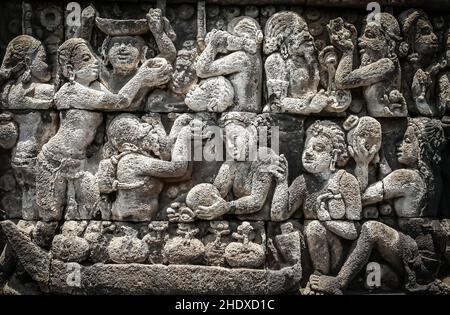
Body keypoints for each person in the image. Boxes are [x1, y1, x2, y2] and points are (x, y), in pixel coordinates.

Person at [35, 38, 171, 221]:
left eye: (92, 58)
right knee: (50, 217)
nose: (93, 63)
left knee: (90, 211)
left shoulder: (95, 87)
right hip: (53, 160)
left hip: (80, 163)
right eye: (85, 59)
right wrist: (141, 77)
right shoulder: (69, 91)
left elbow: (123, 104)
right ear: (69, 70)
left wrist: (149, 80)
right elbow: (120, 100)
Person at [309, 118, 448, 295]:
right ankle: (391, 278)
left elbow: (360, 198)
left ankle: (339, 281)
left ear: (421, 148)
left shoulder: (406, 177)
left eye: (407, 140)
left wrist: (362, 164)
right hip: (431, 257)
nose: (400, 145)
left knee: (371, 228)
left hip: (417, 255)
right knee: (375, 271)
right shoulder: (434, 178)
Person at [270, 120, 361, 276]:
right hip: (311, 248)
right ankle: (295, 272)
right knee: (286, 227)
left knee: (314, 227)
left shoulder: (346, 180)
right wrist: (282, 182)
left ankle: (321, 275)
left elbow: (354, 231)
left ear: (333, 155)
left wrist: (328, 222)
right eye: (307, 147)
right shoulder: (303, 182)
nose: (309, 152)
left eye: (318, 148)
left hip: (337, 252)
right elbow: (278, 215)